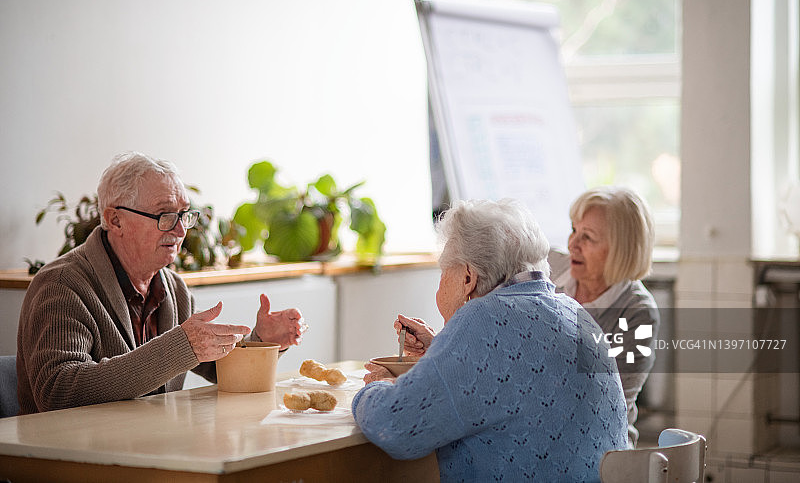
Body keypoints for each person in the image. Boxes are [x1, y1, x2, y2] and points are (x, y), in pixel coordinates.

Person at [352, 199, 628, 482]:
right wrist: (441, 348)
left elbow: (397, 425)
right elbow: (515, 375)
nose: (441, 283)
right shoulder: (574, 311)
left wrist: (378, 386)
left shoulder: (483, 318)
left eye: (444, 271)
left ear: (468, 277)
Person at [16, 152, 306, 414]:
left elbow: (216, 367)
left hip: (151, 451)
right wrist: (179, 348)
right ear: (115, 220)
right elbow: (58, 391)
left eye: (184, 215)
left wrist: (263, 342)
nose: (180, 230)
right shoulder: (62, 284)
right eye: (165, 215)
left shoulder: (174, 288)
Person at [548, 186, 660, 447]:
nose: (572, 244)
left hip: (602, 444)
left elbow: (610, 400)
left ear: (620, 250)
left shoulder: (638, 313)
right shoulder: (549, 266)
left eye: (587, 237)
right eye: (574, 229)